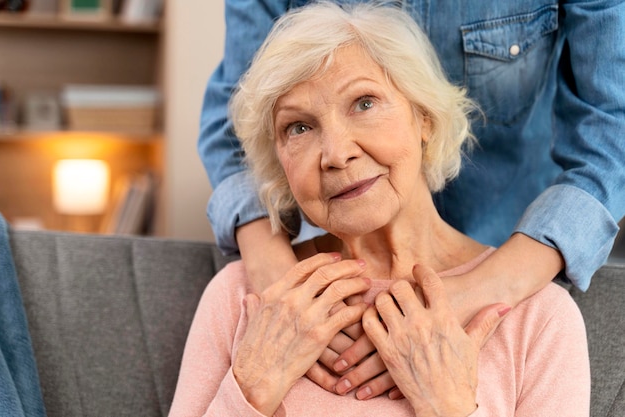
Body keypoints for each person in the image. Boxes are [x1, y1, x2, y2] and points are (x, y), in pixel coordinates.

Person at [170, 3, 590, 416]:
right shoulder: (242, 294)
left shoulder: (539, 318)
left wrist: (450, 407)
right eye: (298, 127)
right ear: (278, 162)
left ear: (423, 117)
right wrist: (250, 389)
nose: (335, 154)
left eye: (364, 103)